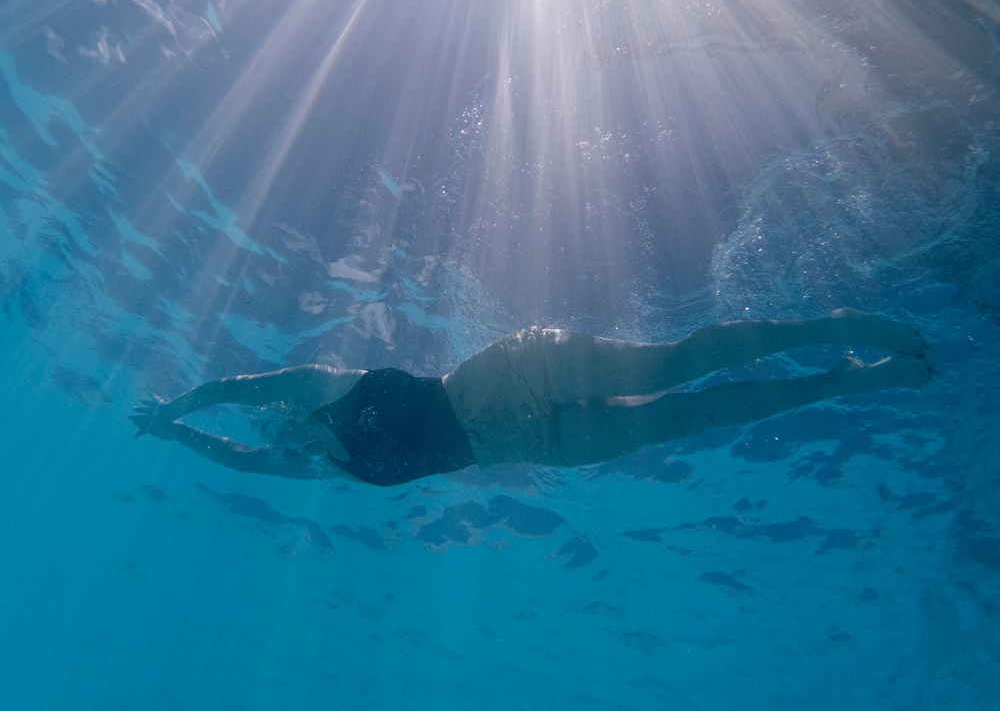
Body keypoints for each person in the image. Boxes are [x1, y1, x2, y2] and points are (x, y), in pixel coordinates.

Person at [131, 309, 931, 486]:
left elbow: (233, 388)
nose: (282, 434)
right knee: (694, 416)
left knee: (667, 369)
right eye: (274, 437)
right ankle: (848, 379)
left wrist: (173, 410)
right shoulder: (324, 471)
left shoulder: (322, 391)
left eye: (277, 424)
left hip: (504, 378)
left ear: (285, 411)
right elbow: (239, 463)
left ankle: (833, 328)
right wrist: (178, 442)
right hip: (519, 447)